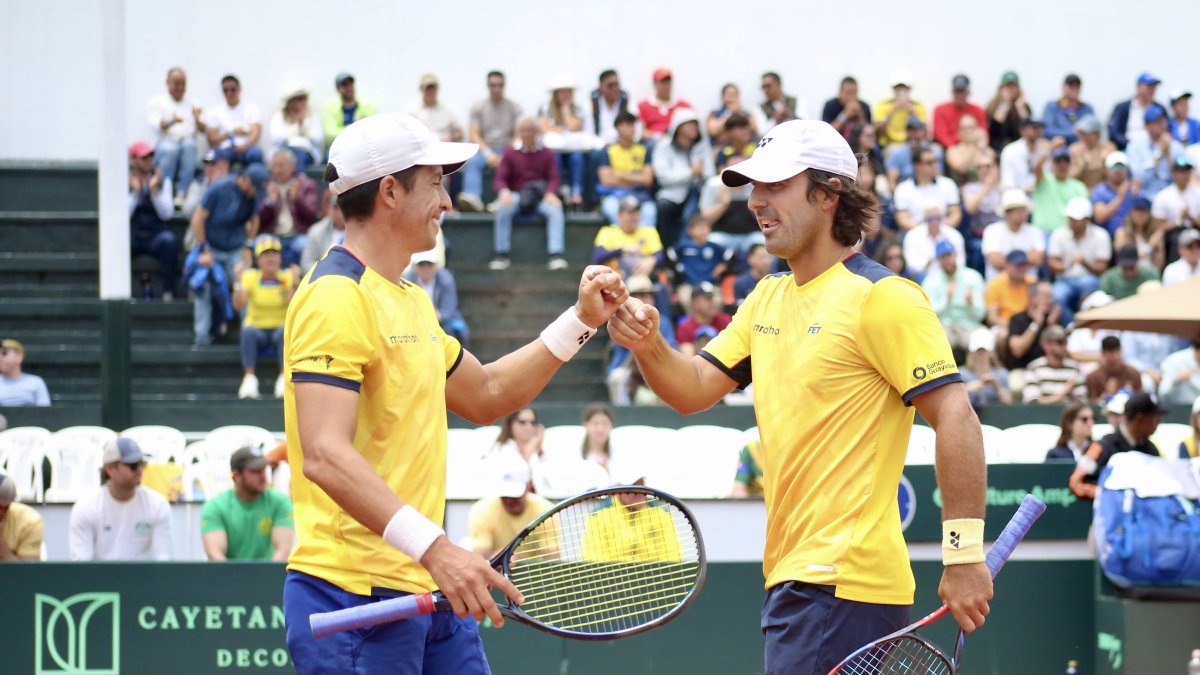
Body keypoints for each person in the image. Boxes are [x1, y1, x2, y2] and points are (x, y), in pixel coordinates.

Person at [606, 119, 991, 673]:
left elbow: (956, 415)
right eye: (753, 188)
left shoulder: (883, 298)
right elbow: (691, 390)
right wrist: (647, 344)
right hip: (799, 582)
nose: (756, 202)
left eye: (774, 186)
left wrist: (963, 554)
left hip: (842, 584)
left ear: (828, 193)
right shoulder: (766, 297)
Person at [281, 112, 628, 674]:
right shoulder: (333, 297)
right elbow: (324, 453)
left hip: (426, 585)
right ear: (390, 190)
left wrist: (580, 320)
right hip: (354, 593)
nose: (447, 201)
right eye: (436, 182)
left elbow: (487, 392)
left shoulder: (411, 298)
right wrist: (438, 549)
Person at [189, 163, 269, 345]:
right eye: (255, 188)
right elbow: (198, 218)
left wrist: (248, 245)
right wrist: (204, 248)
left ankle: (249, 336)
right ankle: (201, 338)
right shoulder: (220, 188)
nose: (256, 194)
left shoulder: (253, 196)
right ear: (247, 181)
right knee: (204, 284)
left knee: (246, 283)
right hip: (212, 248)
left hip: (235, 249)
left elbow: (254, 220)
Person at [68, 438, 171, 561]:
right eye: (133, 466)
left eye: (142, 464)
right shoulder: (86, 508)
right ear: (110, 469)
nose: (140, 470)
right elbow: (81, 566)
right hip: (100, 580)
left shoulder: (158, 505)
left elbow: (164, 561)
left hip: (144, 579)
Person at [489, 117, 568, 271]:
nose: (526, 134)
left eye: (530, 130)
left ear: (537, 132)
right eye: (523, 130)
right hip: (517, 195)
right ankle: (502, 253)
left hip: (540, 196)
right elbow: (500, 178)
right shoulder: (510, 152)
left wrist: (551, 193)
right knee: (502, 208)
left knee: (555, 209)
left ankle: (556, 254)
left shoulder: (546, 153)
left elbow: (554, 177)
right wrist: (504, 192)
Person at [200, 447, 294, 561]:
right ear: (236, 475)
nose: (263, 476)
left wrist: (267, 577)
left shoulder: (281, 502)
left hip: (268, 577)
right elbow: (216, 556)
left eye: (264, 469)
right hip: (228, 577)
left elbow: (282, 552)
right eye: (255, 471)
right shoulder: (214, 507)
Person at [234, 236, 298, 399]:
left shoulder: (287, 276)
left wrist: (295, 282)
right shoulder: (250, 276)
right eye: (266, 254)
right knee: (247, 331)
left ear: (280, 257)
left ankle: (284, 378)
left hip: (279, 328)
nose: (271, 258)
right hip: (257, 328)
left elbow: (294, 305)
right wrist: (238, 282)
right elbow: (238, 305)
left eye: (274, 253)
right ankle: (249, 378)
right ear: (258, 259)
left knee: (285, 332)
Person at [1068, 392, 1165, 498]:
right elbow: (1076, 482)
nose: (1158, 423)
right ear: (1139, 418)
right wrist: (1110, 496)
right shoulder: (1103, 446)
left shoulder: (1152, 450)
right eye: (1155, 418)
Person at [467, 453, 552, 559]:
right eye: (504, 494)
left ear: (528, 485)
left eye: (515, 495)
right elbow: (480, 559)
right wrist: (500, 560)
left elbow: (551, 559)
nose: (509, 500)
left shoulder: (545, 511)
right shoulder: (481, 511)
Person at [581, 473, 682, 563]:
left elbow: (672, 555)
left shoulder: (662, 514)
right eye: (632, 488)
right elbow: (593, 558)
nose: (638, 492)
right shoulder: (597, 516)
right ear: (617, 490)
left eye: (641, 486)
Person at [459, 71, 523, 213]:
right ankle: (472, 197)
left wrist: (505, 155)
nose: (497, 88)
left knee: (514, 162)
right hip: (484, 150)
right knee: (472, 161)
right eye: (493, 85)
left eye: (500, 85)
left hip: (507, 150)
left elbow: (518, 135)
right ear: (488, 86)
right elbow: (474, 134)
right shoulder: (478, 107)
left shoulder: (514, 107)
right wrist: (488, 153)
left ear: (504, 86)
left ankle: (503, 199)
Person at [127, 139, 180, 298]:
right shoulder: (123, 181)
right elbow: (123, 215)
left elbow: (167, 214)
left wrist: (154, 191)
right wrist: (136, 193)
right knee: (119, 242)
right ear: (134, 160)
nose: (148, 161)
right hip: (134, 234)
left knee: (169, 241)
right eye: (144, 158)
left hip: (155, 235)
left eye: (150, 157)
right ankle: (126, 291)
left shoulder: (163, 182)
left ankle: (167, 291)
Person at [653, 109, 713, 247]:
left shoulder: (702, 146)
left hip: (697, 193)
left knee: (695, 212)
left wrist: (700, 174)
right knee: (664, 207)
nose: (694, 127)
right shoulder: (664, 146)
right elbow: (663, 177)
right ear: (678, 127)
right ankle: (668, 249)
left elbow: (709, 173)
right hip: (672, 194)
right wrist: (691, 172)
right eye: (689, 124)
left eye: (695, 124)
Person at [1047, 197, 1111, 323]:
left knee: (1088, 285)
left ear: (1087, 220)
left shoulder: (1101, 235)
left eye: (1076, 220)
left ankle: (1084, 323)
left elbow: (1102, 267)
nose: (1072, 222)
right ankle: (1072, 325)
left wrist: (1085, 263)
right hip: (1064, 279)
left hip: (1089, 277)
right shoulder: (1058, 234)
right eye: (1070, 219)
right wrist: (1068, 263)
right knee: (1056, 295)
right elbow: (1052, 263)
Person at [147, 67, 205, 202]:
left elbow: (203, 130)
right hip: (165, 143)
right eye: (176, 83)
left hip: (186, 143)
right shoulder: (157, 102)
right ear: (167, 82)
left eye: (183, 83)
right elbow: (157, 125)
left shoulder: (193, 103)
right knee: (171, 149)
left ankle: (182, 192)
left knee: (190, 145)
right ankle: (164, 190)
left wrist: (197, 119)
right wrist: (171, 121)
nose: (180, 87)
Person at [921, 240, 986, 355]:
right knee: (935, 342)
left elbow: (980, 315)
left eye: (949, 255)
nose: (947, 260)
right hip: (944, 326)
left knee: (982, 339)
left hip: (969, 325)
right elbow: (928, 316)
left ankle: (983, 372)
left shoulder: (973, 277)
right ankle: (945, 373)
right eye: (943, 257)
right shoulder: (930, 281)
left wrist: (971, 303)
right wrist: (946, 300)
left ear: (956, 255)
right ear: (938, 260)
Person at [259, 150, 320, 267]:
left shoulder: (306, 184)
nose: (277, 170)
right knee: (261, 243)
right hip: (273, 234)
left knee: (305, 245)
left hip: (298, 234)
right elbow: (259, 220)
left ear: (292, 166)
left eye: (281, 166)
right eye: (274, 166)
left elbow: (312, 216)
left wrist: (298, 200)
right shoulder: (267, 185)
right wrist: (269, 203)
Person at [596, 110, 656, 228]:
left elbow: (647, 180)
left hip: (639, 195)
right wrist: (636, 178)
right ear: (617, 127)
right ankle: (623, 245)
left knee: (650, 211)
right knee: (611, 208)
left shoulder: (643, 150)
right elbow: (606, 180)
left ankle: (643, 245)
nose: (630, 128)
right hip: (615, 195)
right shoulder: (607, 151)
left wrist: (619, 175)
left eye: (632, 124)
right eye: (626, 124)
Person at [701, 154, 766, 255]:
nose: (738, 173)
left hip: (751, 235)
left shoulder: (755, 185)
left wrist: (753, 202)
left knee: (765, 243)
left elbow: (765, 218)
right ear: (724, 169)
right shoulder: (714, 185)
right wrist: (722, 204)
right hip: (723, 235)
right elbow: (705, 219)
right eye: (734, 167)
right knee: (711, 242)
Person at [538, 77, 589, 206]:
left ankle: (577, 192)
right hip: (555, 150)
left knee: (577, 158)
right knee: (556, 158)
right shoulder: (545, 108)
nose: (566, 95)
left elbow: (573, 127)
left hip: (573, 150)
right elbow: (544, 128)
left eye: (569, 92)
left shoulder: (578, 109)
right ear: (555, 94)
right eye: (563, 92)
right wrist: (561, 130)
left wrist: (566, 110)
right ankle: (558, 190)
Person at [402, 250, 469, 345]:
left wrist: (435, 316)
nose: (426, 268)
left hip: (441, 322)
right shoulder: (406, 280)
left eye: (430, 264)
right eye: (421, 265)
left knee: (454, 331)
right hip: (414, 321)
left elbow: (448, 309)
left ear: (437, 265)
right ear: (414, 267)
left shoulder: (446, 279)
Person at [592, 195, 663, 279]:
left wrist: (652, 260)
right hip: (617, 280)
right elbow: (598, 257)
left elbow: (660, 255)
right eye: (629, 213)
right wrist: (622, 250)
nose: (634, 216)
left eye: (636, 212)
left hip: (643, 279)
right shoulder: (608, 232)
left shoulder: (649, 231)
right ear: (619, 215)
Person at [892, 147, 962, 232]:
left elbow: (955, 215)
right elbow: (902, 219)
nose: (935, 165)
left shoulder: (948, 184)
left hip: (943, 231)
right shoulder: (903, 188)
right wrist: (926, 230)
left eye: (936, 161)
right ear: (916, 166)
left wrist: (938, 229)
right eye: (929, 163)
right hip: (915, 234)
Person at [981, 189, 1044, 280]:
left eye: (1024, 210)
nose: (1023, 213)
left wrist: (1007, 262)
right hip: (999, 285)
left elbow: (1037, 260)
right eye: (1018, 210)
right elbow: (996, 262)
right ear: (1006, 213)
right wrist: (1025, 262)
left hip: (1028, 286)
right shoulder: (992, 230)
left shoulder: (1035, 231)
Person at [667, 216, 732, 303]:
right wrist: (679, 267)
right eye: (699, 227)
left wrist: (723, 265)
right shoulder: (684, 246)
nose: (702, 231)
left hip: (711, 284)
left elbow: (730, 254)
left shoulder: (714, 247)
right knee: (686, 300)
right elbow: (670, 254)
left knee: (716, 302)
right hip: (689, 285)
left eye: (705, 227)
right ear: (690, 231)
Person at [1128, 107, 1186, 200]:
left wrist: (1168, 155)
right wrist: (1159, 152)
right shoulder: (1135, 147)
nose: (1161, 125)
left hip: (1172, 197)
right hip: (1145, 197)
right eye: (1156, 122)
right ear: (1146, 126)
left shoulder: (1176, 147)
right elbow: (1139, 178)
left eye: (1163, 121)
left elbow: (1182, 178)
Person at [1150, 157, 1200, 264]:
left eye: (1186, 171)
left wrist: (1190, 217)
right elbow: (1158, 227)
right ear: (1173, 173)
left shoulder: (1197, 194)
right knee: (1176, 240)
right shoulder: (1163, 196)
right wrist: (1178, 220)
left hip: (1195, 229)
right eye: (1181, 171)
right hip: (1172, 233)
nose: (1184, 175)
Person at [1004, 281, 1064, 370]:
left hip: (1048, 369)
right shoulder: (1017, 319)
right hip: (1022, 370)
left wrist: (1053, 327)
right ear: (1033, 297)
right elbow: (1017, 351)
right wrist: (1035, 324)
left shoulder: (1052, 319)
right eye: (1047, 297)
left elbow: (1061, 352)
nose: (1050, 301)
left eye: (1051, 297)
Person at [205, 74, 262, 166]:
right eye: (225, 90)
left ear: (239, 89)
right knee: (212, 156)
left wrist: (245, 146)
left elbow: (255, 133)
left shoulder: (251, 109)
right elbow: (212, 140)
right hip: (225, 150)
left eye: (233, 89)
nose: (229, 94)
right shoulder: (215, 112)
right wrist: (231, 132)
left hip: (247, 149)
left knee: (255, 154)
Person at [1022, 326, 1087, 404]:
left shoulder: (1075, 368)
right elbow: (1032, 402)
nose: (1064, 346)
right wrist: (1061, 395)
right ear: (1046, 345)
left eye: (1066, 341)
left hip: (1069, 414)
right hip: (1041, 415)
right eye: (1060, 342)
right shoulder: (1034, 368)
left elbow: (1082, 401)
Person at [1032, 145, 1089, 234]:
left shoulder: (1079, 186)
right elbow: (1037, 167)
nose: (1062, 165)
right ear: (1052, 163)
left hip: (1068, 233)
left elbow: (1084, 213)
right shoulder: (1044, 180)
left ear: (1070, 164)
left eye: (1066, 161)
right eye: (1058, 161)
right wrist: (1050, 148)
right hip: (1043, 232)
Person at [901, 205, 965, 280]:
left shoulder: (954, 235)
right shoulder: (912, 236)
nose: (934, 222)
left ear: (942, 218)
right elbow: (911, 265)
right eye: (930, 219)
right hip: (922, 277)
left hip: (949, 276)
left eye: (938, 218)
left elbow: (960, 263)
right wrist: (930, 261)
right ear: (924, 219)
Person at [269, 88, 324, 173]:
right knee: (287, 157)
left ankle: (297, 182)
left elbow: (318, 138)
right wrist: (294, 127)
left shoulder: (312, 115)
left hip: (306, 151)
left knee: (299, 156)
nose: (304, 102)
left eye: (305, 99)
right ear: (291, 102)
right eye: (300, 99)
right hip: (285, 150)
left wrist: (303, 126)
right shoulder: (279, 115)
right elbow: (275, 139)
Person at [1108, 73, 1168, 151]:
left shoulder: (1160, 108)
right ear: (1138, 87)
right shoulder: (1122, 108)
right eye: (1149, 86)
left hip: (1154, 148)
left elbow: (1166, 129)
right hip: (1126, 147)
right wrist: (1130, 144)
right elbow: (1114, 132)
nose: (1152, 90)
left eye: (1154, 87)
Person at [675, 282, 732, 357]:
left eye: (712, 297)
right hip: (697, 366)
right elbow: (688, 359)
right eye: (708, 298)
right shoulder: (685, 327)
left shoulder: (725, 321)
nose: (713, 302)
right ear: (696, 302)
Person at [320, 72, 377, 146]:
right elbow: (329, 135)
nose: (348, 88)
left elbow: (374, 130)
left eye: (351, 84)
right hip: (339, 148)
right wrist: (355, 127)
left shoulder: (368, 106)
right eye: (344, 85)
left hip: (363, 147)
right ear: (337, 88)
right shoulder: (329, 108)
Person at [961, 328, 1011, 411]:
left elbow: (1008, 402)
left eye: (984, 351)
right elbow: (956, 402)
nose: (981, 354)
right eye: (978, 351)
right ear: (971, 352)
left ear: (991, 352)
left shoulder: (1002, 374)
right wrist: (967, 389)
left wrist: (997, 386)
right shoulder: (962, 374)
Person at [932, 74, 988, 150]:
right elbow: (941, 136)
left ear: (968, 92)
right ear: (952, 92)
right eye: (957, 91)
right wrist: (960, 142)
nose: (959, 94)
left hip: (973, 147)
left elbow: (982, 133)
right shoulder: (940, 109)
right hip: (950, 148)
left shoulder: (978, 110)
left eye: (962, 91)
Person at [1091, 153, 1140, 237]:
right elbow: (1100, 217)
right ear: (1106, 170)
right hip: (1106, 237)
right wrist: (1120, 197)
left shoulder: (1134, 190)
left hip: (1130, 237)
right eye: (1114, 167)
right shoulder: (1099, 191)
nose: (1118, 171)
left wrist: (1137, 197)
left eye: (1122, 168)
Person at [404, 74, 463, 143]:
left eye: (432, 88)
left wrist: (451, 137)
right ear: (421, 89)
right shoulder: (411, 111)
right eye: (427, 88)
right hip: (420, 148)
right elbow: (404, 133)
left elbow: (459, 133)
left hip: (444, 147)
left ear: (437, 89)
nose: (430, 91)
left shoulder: (448, 109)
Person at [637, 68, 692, 141]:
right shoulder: (643, 106)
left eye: (668, 82)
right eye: (663, 82)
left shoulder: (683, 106)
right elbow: (640, 131)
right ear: (655, 83)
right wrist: (658, 137)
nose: (666, 86)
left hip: (677, 143)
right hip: (653, 143)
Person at [1084, 336, 1142, 403]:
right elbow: (1091, 405)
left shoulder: (1133, 373)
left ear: (1122, 351)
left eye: (1117, 351)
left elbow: (1141, 400)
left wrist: (1131, 394)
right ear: (1103, 354)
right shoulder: (1093, 377)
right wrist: (1106, 395)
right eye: (1110, 353)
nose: (1114, 356)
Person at [999, 118, 1049, 195]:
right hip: (1016, 197)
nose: (1038, 131)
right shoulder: (1010, 151)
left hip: (1041, 195)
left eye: (1040, 128)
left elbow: (1048, 177)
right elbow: (1008, 182)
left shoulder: (1045, 150)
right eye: (1034, 128)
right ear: (1022, 131)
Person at [984, 250, 1033, 328]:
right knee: (1002, 334)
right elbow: (992, 318)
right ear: (1007, 265)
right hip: (1005, 324)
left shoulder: (1033, 283)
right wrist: (1014, 326)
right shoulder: (995, 284)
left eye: (1024, 265)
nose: (1022, 268)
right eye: (1018, 265)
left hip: (1028, 325)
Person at [874, 77, 928, 148]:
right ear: (893, 89)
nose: (901, 91)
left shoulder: (918, 106)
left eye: (904, 88)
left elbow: (924, 132)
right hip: (890, 144)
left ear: (909, 89)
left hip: (913, 143)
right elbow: (879, 132)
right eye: (898, 88)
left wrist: (913, 113)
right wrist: (892, 111)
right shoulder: (883, 105)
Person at [985, 71, 1031, 154]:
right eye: (1007, 86)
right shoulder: (992, 105)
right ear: (1001, 88)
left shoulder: (1024, 106)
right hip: (998, 147)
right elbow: (994, 129)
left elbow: (1028, 128)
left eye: (1013, 87)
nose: (1010, 90)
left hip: (1020, 147)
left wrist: (1020, 107)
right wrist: (1005, 104)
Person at [0, 472, 43, 561]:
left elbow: (26, 572)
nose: (1, 512)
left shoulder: (29, 521)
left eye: (6, 507)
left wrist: (2, 549)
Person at [1042, 74, 1094, 146]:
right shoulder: (1052, 107)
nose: (1074, 89)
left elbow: (1092, 131)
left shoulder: (1087, 108)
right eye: (1071, 86)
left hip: (1082, 148)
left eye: (1077, 86)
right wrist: (1073, 133)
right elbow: (1046, 131)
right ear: (1063, 87)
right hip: (1058, 147)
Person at [301, 195, 346, 274]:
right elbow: (306, 263)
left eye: (343, 208)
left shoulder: (359, 231)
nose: (340, 213)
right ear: (330, 209)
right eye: (336, 208)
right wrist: (326, 275)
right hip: (323, 278)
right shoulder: (316, 231)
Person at [1068, 116, 1115, 189]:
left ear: (1096, 134)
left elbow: (1113, 177)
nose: (1082, 136)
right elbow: (1070, 177)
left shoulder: (1108, 148)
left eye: (1085, 133)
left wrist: (1103, 162)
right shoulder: (1074, 149)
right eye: (1080, 133)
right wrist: (1082, 163)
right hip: (1080, 190)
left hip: (1101, 191)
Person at [0, 339, 50, 407]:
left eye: (4, 353)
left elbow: (45, 412)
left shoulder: (35, 382)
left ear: (19, 356)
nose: (0, 358)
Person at [586, 70, 630, 146]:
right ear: (600, 87)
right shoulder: (592, 105)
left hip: (621, 146)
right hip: (598, 147)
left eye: (617, 84)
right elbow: (589, 132)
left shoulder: (626, 102)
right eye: (610, 85)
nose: (615, 88)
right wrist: (602, 144)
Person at [945, 115, 991, 185]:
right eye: (964, 129)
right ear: (958, 131)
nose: (968, 131)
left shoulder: (984, 149)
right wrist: (974, 146)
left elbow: (992, 171)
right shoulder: (952, 151)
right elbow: (962, 169)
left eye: (971, 128)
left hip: (985, 189)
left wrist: (983, 145)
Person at [1159, 341, 1200, 405]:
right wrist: (1175, 380)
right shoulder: (1174, 361)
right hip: (1178, 409)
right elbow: (1163, 393)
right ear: (1198, 351)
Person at [579, 403, 615, 469]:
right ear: (585, 425)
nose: (600, 429)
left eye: (605, 424)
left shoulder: (619, 454)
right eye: (595, 424)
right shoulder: (575, 453)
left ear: (611, 426)